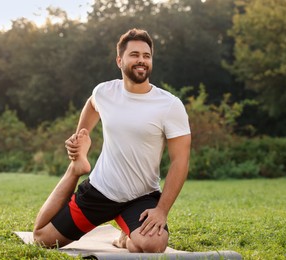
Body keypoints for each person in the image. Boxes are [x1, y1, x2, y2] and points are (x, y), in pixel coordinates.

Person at [33, 28, 191, 253]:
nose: (141, 61)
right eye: (134, 55)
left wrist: (162, 210)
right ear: (120, 60)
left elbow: (180, 161)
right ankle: (75, 170)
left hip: (141, 196)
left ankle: (124, 237)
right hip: (100, 191)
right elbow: (91, 103)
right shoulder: (105, 92)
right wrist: (80, 142)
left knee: (152, 245)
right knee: (42, 238)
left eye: (146, 56)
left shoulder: (169, 105)